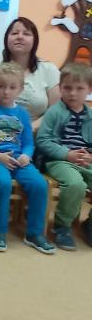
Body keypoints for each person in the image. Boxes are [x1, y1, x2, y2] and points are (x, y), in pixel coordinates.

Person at [0, 61, 55, 254]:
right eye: (1, 86)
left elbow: (28, 142)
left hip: (17, 158)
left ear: (20, 89)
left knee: (39, 184)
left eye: (12, 87)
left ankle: (34, 234)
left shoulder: (23, 114)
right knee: (2, 183)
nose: (6, 92)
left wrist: (26, 155)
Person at [35, 62, 92, 251]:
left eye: (79, 88)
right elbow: (43, 141)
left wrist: (90, 157)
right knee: (75, 184)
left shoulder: (90, 116)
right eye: (67, 88)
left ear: (89, 90)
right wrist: (67, 154)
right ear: (60, 88)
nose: (73, 93)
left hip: (85, 160)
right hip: (59, 160)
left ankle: (89, 224)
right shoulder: (54, 112)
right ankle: (62, 226)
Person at [0, 17, 60, 129]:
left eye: (26, 34)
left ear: (35, 41)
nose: (20, 37)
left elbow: (54, 111)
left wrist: (28, 130)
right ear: (6, 39)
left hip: (37, 135)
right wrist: (8, 133)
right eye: (14, 33)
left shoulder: (49, 70)